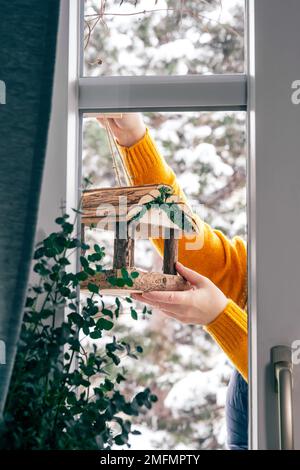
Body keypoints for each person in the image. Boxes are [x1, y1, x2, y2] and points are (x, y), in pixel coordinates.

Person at [97, 113, 248, 450]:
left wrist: (221, 317)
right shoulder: (280, 265)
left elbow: (289, 382)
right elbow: (197, 249)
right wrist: (135, 141)